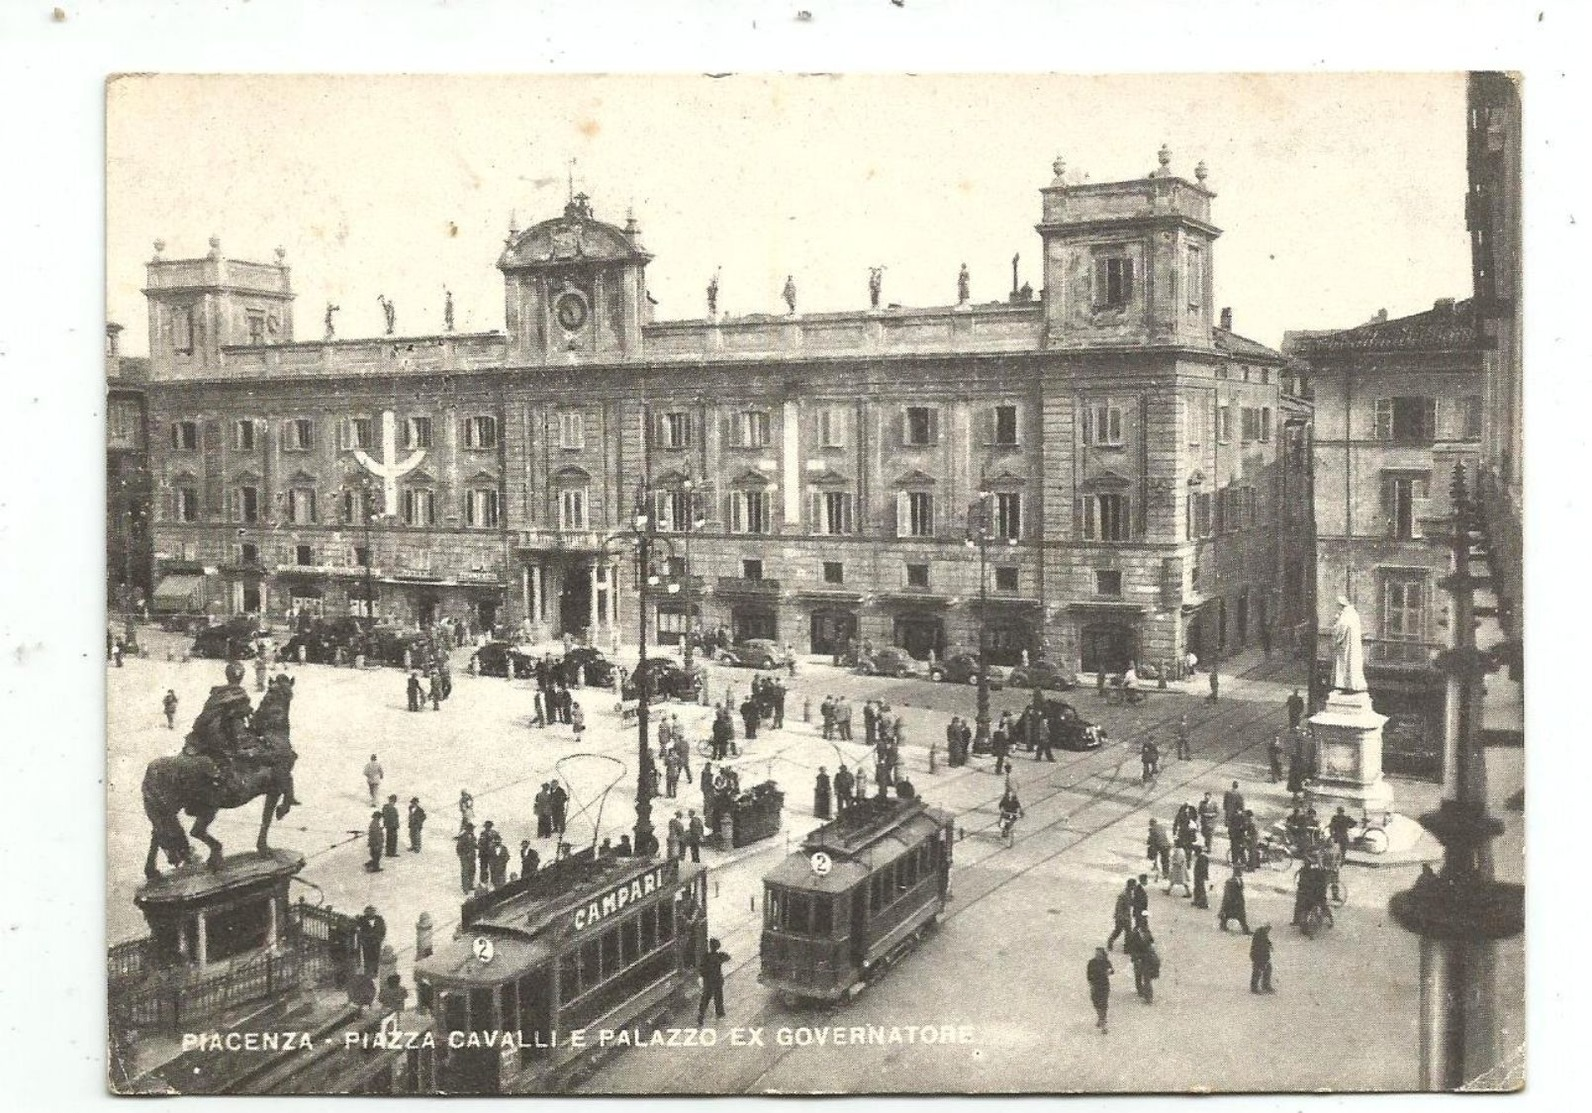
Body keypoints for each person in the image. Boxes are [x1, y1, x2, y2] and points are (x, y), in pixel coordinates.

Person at [697, 937, 730, 1025]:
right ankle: (720, 1013)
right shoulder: (719, 956)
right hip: (717, 981)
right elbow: (728, 957)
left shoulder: (706, 956)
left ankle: (701, 1014)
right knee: (718, 997)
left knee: (705, 998)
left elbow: (701, 969)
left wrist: (704, 976)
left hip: (708, 981)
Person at [1086, 947, 1115, 1034]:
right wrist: (1090, 984)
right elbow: (1088, 974)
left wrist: (1109, 972)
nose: (1097, 955)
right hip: (1095, 985)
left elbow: (1112, 970)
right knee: (1096, 1003)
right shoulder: (1091, 962)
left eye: (1099, 953)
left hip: (1104, 985)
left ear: (1102, 954)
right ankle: (1101, 1017)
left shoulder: (1106, 962)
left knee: (1103, 1003)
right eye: (1096, 953)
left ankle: (1103, 1023)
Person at [355, 906, 386, 976]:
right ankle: (367, 974)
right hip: (366, 943)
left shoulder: (379, 919)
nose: (370, 913)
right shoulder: (361, 919)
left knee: (376, 958)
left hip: (376, 943)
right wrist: (363, 940)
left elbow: (383, 930)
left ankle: (375, 973)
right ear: (365, 912)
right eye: (368, 911)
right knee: (367, 959)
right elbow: (358, 931)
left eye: (372, 911)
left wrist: (380, 939)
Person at [1107, 879, 1136, 951]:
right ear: (1131, 885)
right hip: (1122, 917)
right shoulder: (1123, 894)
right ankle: (1110, 941)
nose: (1135, 887)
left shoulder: (1129, 893)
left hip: (1126, 916)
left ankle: (1126, 948)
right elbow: (1118, 907)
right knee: (1119, 931)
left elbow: (1131, 903)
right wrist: (1121, 916)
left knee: (1128, 932)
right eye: (1134, 885)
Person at [1250, 925, 1275, 993]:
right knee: (1258, 971)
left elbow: (1266, 941)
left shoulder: (1262, 934)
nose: (1268, 931)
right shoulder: (1260, 936)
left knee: (1267, 970)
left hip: (1261, 956)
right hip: (1259, 957)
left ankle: (1264, 985)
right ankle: (1256, 987)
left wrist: (1269, 944)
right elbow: (1261, 948)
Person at [455, 826, 478, 893]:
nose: (472, 830)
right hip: (465, 858)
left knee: (472, 871)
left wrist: (478, 847)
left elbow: (474, 845)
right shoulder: (463, 836)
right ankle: (465, 888)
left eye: (472, 829)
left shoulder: (472, 836)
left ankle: (470, 885)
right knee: (465, 872)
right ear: (467, 829)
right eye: (471, 829)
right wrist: (463, 855)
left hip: (472, 857)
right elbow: (459, 847)